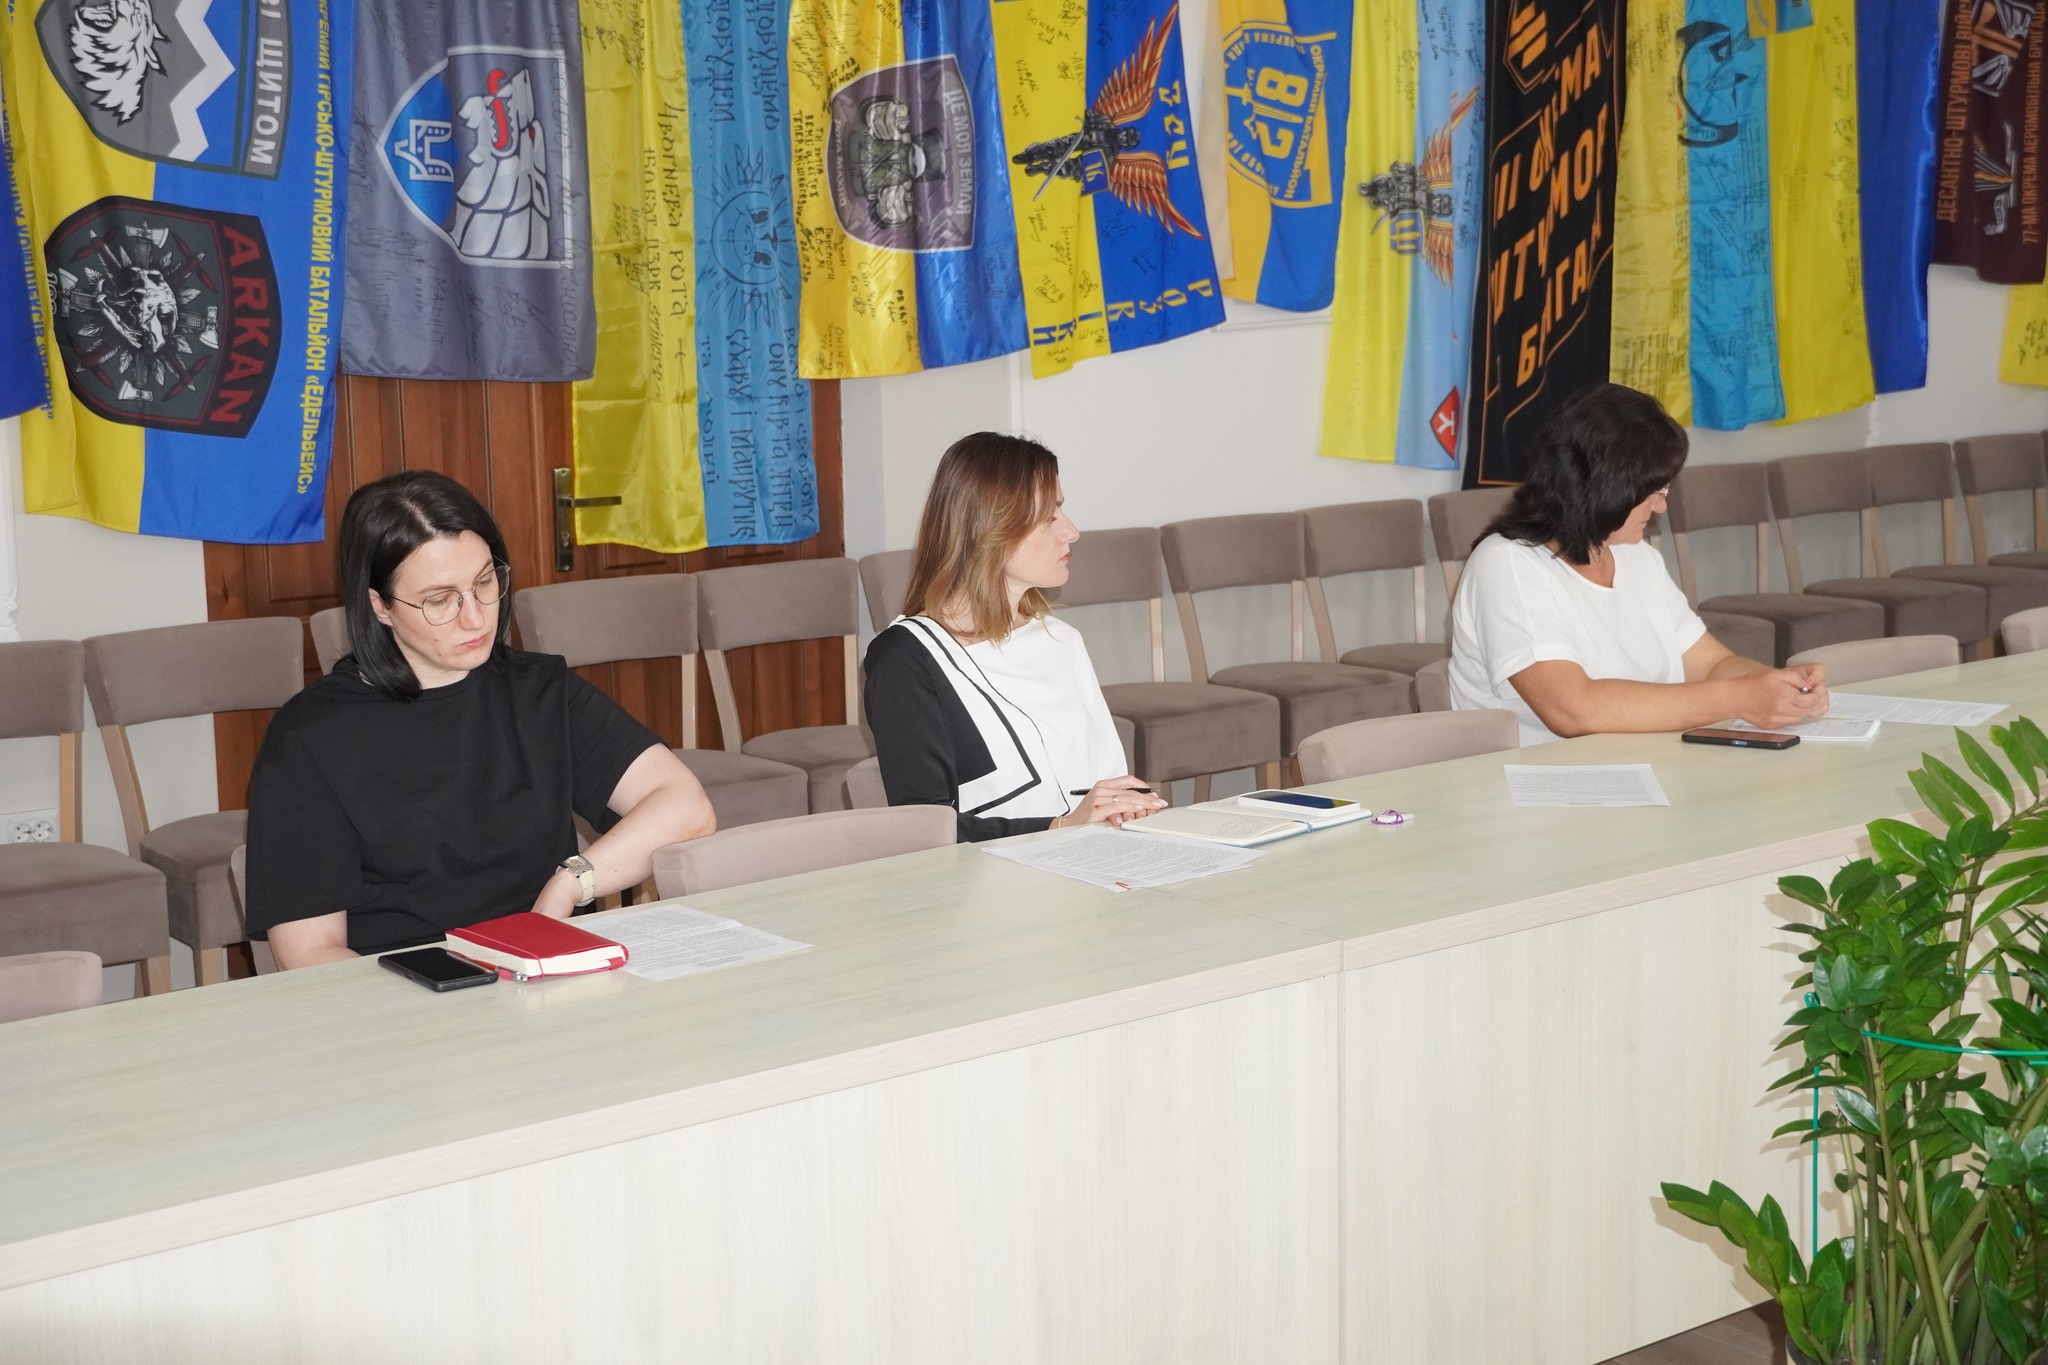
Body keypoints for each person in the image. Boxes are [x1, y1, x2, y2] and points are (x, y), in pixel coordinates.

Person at [244, 471, 715, 969]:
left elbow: (687, 806)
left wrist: (569, 883)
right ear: (379, 605)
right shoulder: (309, 738)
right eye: (440, 600)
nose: (475, 617)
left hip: (548, 970)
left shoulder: (538, 691)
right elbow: (309, 953)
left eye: (484, 582)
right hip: (406, 989)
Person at [1449, 383, 1830, 745]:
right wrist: (1739, 698)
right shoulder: (1507, 564)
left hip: (1641, 764)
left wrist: (1779, 686)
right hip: (1537, 779)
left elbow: (1711, 665)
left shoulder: (1636, 557)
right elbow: (1574, 710)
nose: (1661, 506)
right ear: (1605, 490)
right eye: (1652, 492)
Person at [863, 432, 1166, 842]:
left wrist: (1128, 806)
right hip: (992, 877)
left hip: (1094, 859)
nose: (1072, 531)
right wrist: (1061, 826)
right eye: (1049, 518)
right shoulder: (907, 658)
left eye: (1062, 509)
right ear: (990, 529)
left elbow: (1104, 786)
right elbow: (923, 832)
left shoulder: (1060, 639)